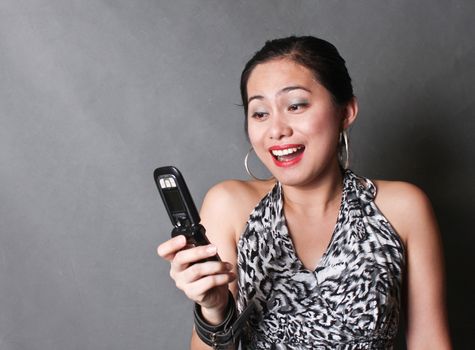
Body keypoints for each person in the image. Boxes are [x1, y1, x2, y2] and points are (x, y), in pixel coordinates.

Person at [157, 36, 451, 349]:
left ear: (346, 111)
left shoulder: (403, 208)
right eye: (260, 113)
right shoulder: (229, 205)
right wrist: (214, 310)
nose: (276, 129)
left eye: (295, 105)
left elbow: (430, 341)